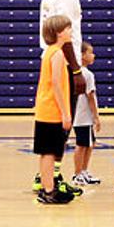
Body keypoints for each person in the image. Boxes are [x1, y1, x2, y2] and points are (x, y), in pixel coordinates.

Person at [34, 14, 75, 204]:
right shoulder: (57, 54)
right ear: (58, 32)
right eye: (67, 28)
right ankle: (50, 190)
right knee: (50, 152)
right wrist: (66, 113)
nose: (70, 31)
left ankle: (46, 188)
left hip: (44, 109)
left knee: (46, 152)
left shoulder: (49, 51)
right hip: (52, 110)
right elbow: (57, 85)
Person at [70, 40, 102, 187]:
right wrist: (96, 116)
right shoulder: (87, 74)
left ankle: (83, 171)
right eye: (90, 52)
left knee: (90, 143)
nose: (93, 55)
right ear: (82, 55)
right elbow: (90, 96)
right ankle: (77, 174)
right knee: (82, 144)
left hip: (80, 115)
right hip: (83, 116)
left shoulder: (79, 73)